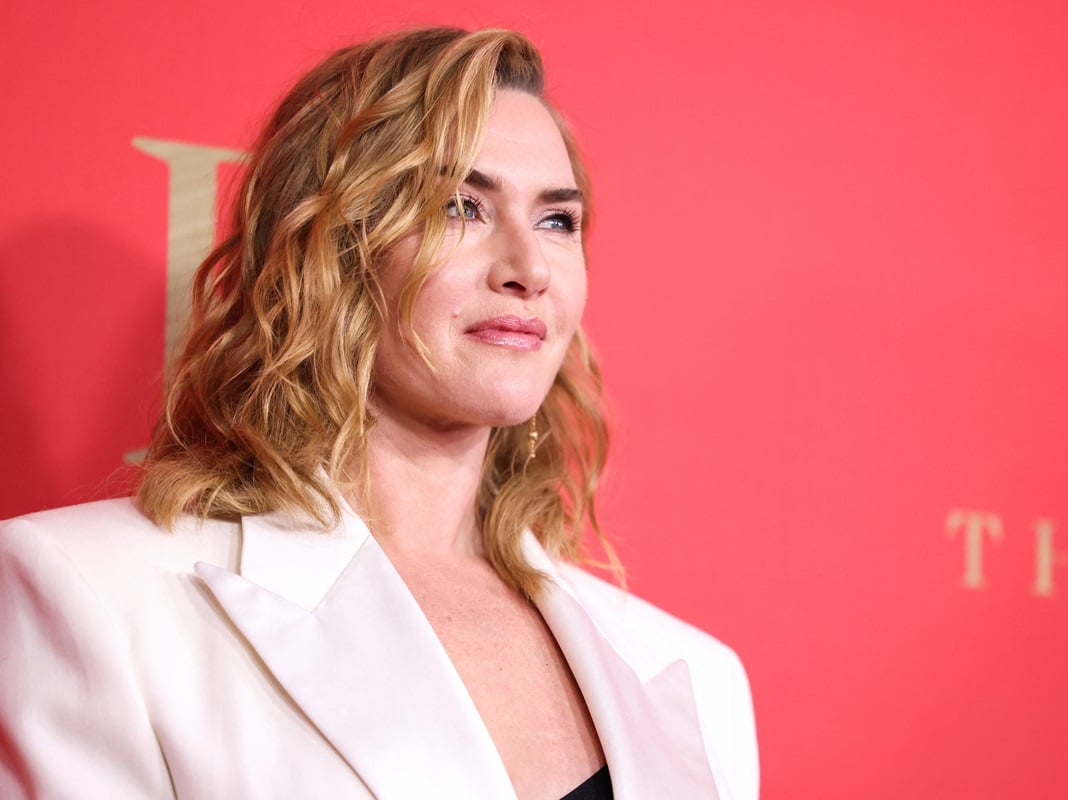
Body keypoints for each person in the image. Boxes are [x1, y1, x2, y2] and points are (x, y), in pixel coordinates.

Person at [0, 27, 758, 799]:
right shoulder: (90, 596)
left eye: (557, 220)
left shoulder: (697, 678)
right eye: (461, 206)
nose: (529, 268)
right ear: (329, 247)